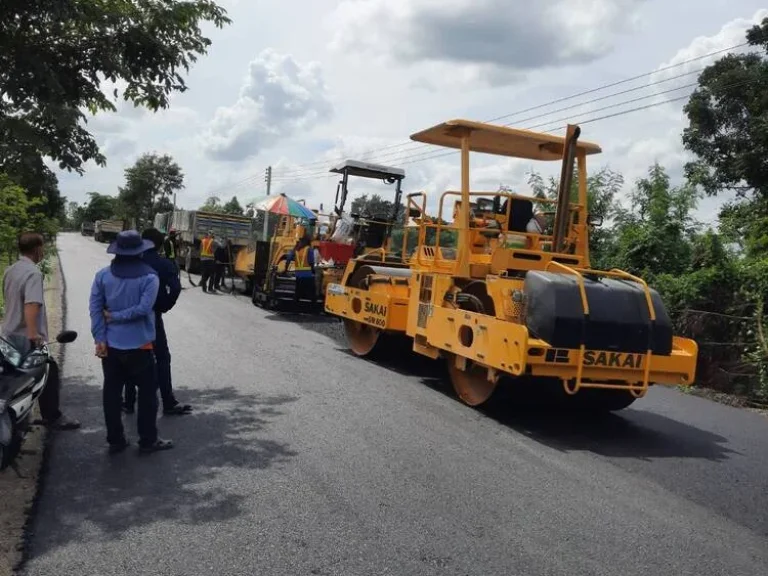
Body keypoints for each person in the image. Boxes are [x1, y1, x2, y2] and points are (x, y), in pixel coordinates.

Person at [89, 230, 173, 454]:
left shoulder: (102, 276)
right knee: (147, 394)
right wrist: (116, 317)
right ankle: (147, 440)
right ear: (140, 252)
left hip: (112, 346)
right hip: (141, 346)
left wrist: (100, 338)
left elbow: (95, 309)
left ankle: (115, 439)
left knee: (112, 393)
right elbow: (144, 310)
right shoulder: (150, 278)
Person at [1, 232, 80, 431]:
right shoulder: (33, 273)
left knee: (13, 378)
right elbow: (32, 304)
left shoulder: (10, 270)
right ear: (37, 249)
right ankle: (52, 417)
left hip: (7, 334)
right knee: (47, 371)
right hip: (25, 337)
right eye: (42, 247)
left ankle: (20, 420)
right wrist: (33, 333)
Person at [122, 228, 191, 416]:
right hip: (153, 317)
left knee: (132, 356)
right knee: (162, 358)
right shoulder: (165, 264)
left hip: (130, 317)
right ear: (161, 244)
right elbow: (175, 288)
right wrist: (165, 305)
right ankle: (168, 401)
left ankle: (128, 402)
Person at [284, 234, 316, 303]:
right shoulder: (309, 249)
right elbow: (311, 262)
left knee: (298, 292)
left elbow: (288, 259)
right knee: (312, 293)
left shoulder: (295, 250)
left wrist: (285, 270)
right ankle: (312, 306)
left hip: (298, 275)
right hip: (308, 275)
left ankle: (295, 306)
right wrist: (313, 271)